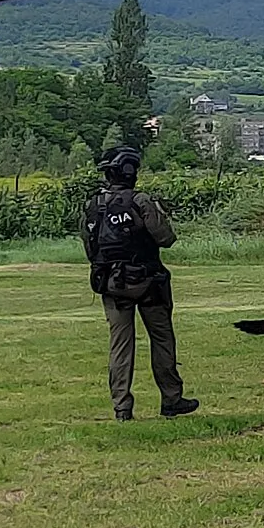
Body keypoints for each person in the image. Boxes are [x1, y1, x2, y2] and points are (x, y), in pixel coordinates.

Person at [80, 145, 197, 422]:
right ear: (131, 171)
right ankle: (171, 398)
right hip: (148, 283)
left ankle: (122, 407)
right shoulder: (141, 201)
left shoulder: (93, 205)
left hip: (110, 284)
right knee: (162, 339)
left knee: (120, 344)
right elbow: (166, 238)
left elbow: (89, 247)